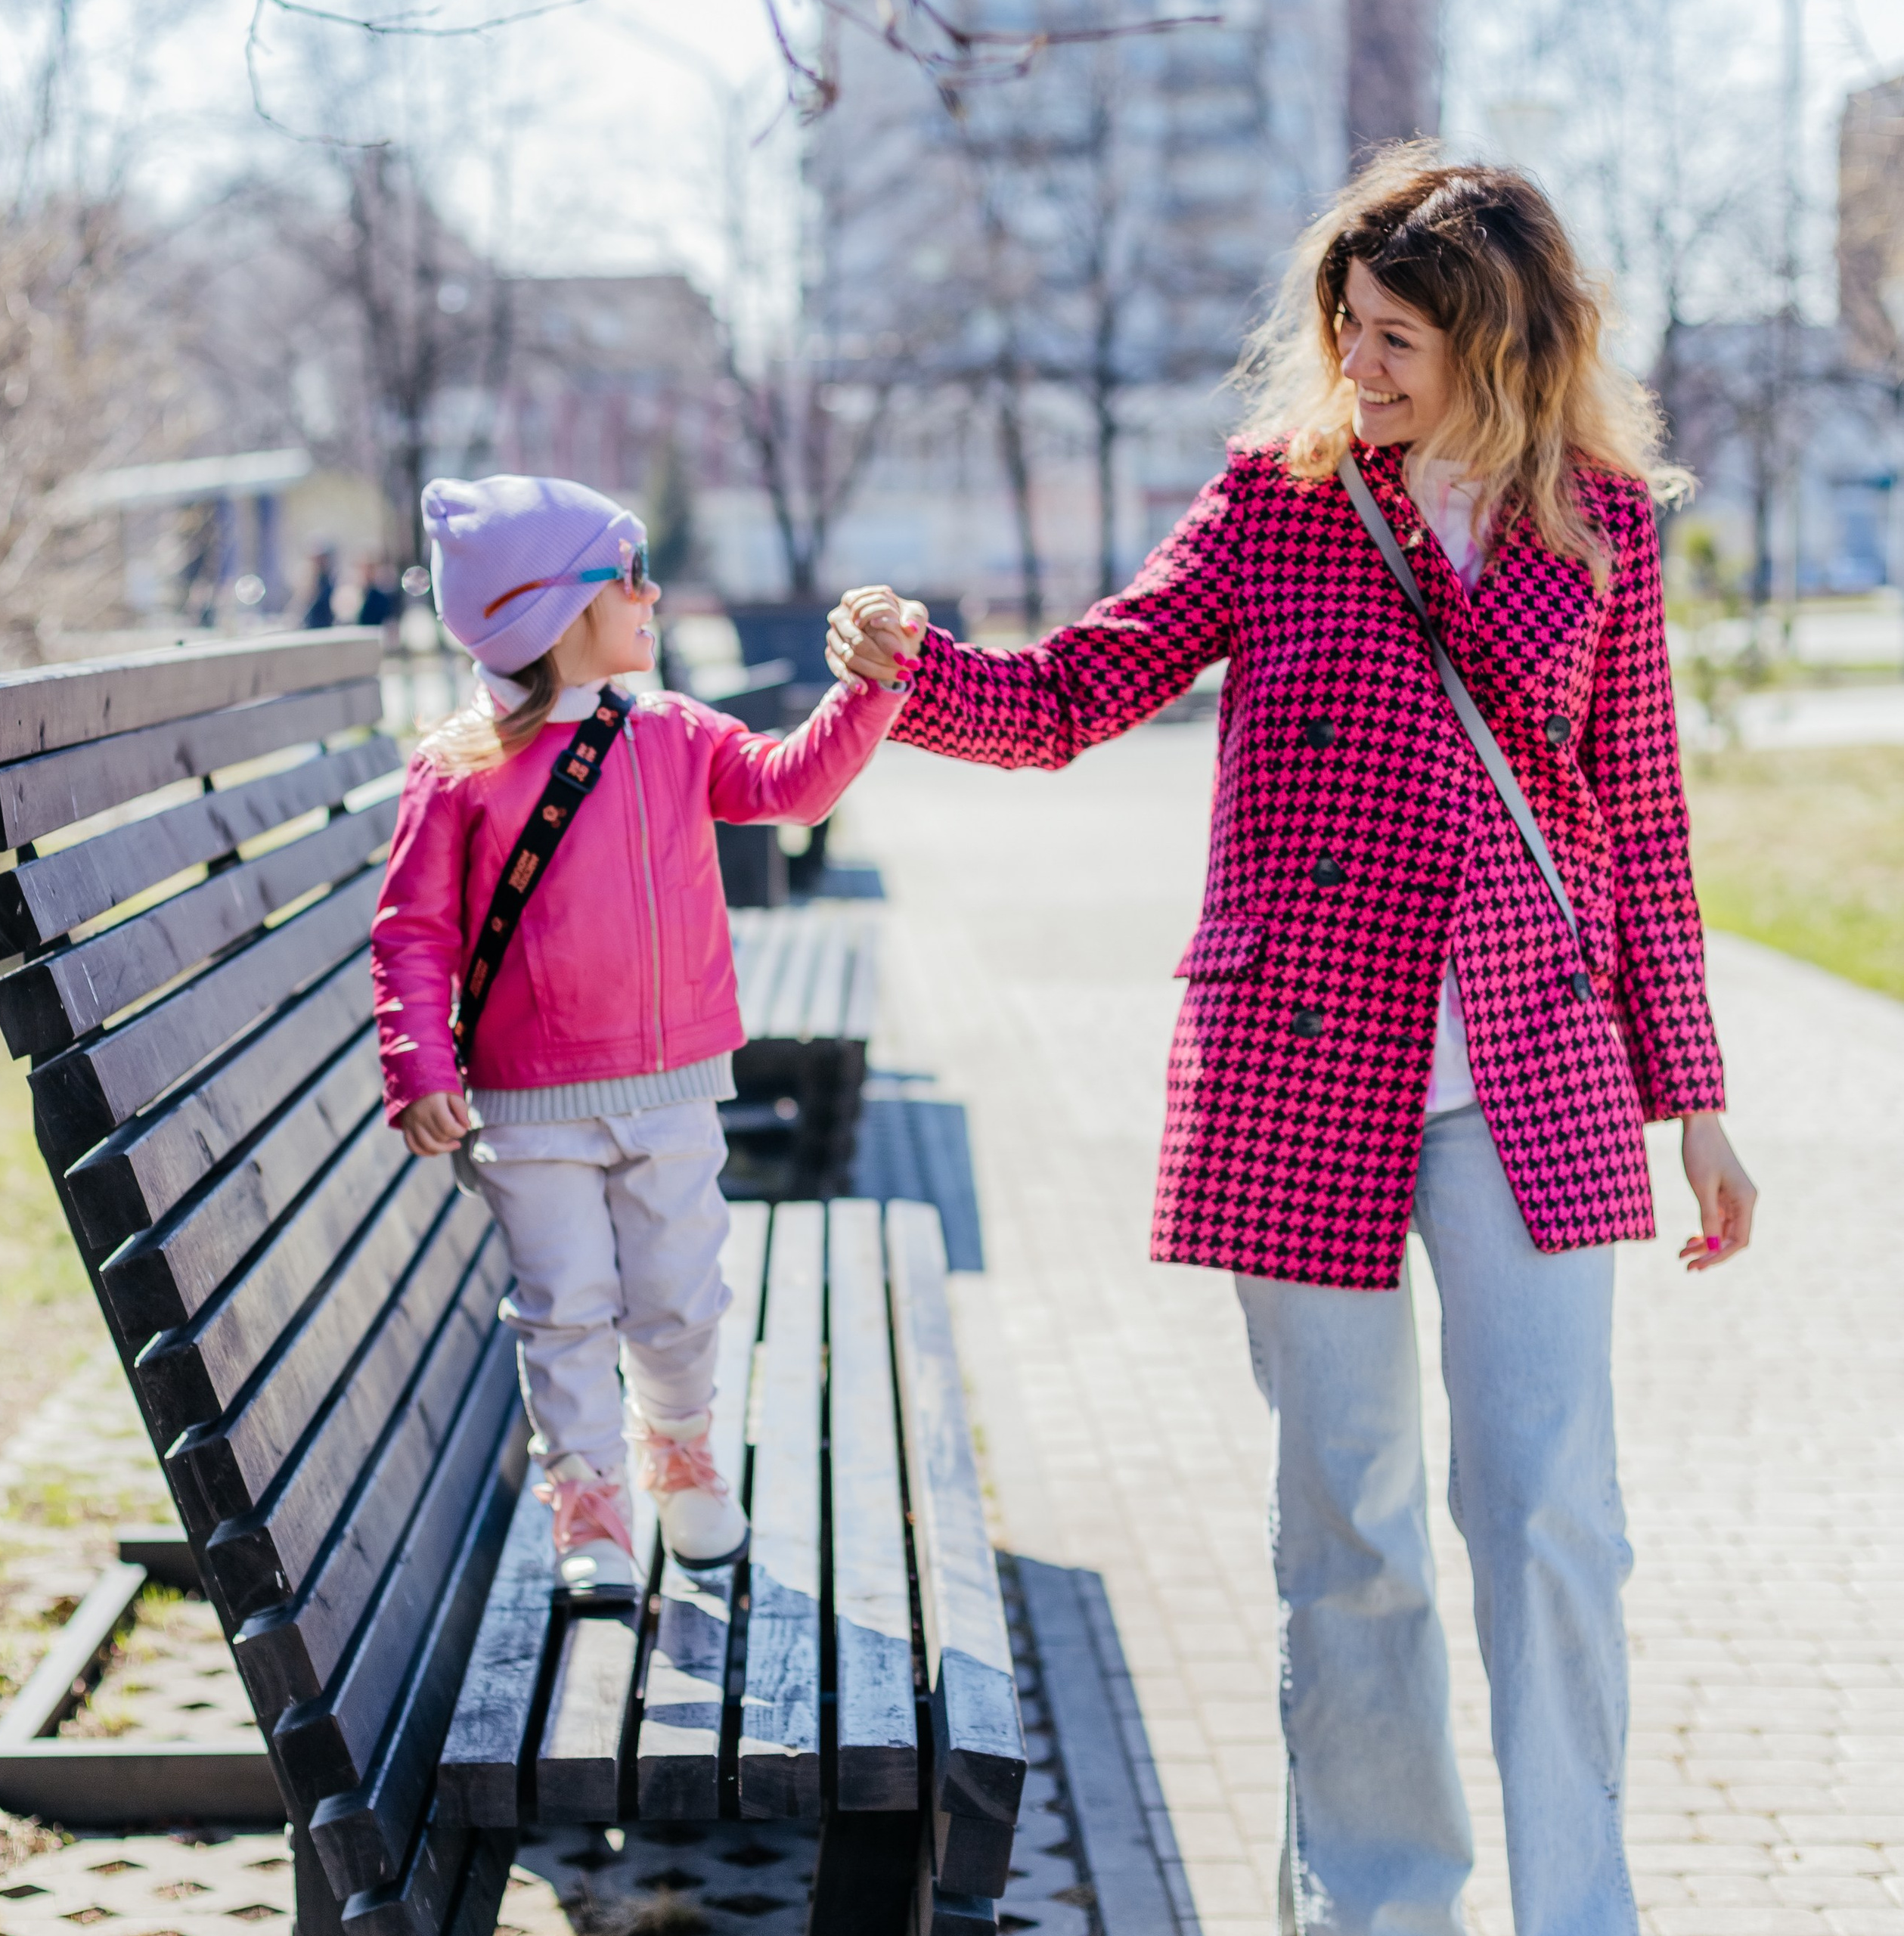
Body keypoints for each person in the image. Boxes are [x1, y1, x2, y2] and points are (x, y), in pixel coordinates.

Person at [824, 147, 1757, 1935]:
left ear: (1498, 343)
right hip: (1304, 1058)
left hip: (1532, 1071)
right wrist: (918, 670)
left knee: (1552, 1518)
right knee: (1348, 1525)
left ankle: (1580, 1912)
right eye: (1343, 326)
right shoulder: (1274, 497)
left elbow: (1639, 815)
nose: (1355, 363)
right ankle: (1377, 1908)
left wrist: (1693, 1101)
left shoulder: (1602, 524)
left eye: (1395, 335)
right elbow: (1080, 686)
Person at [372, 475, 910, 1596]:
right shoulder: (457, 766)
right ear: (555, 609)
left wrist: (865, 691)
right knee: (562, 1312)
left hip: (672, 1087)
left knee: (677, 1299)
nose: (652, 593)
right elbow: (414, 932)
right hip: (527, 1105)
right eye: (630, 575)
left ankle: (681, 1453)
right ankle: (590, 1503)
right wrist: (419, 1064)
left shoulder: (672, 733)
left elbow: (790, 787)